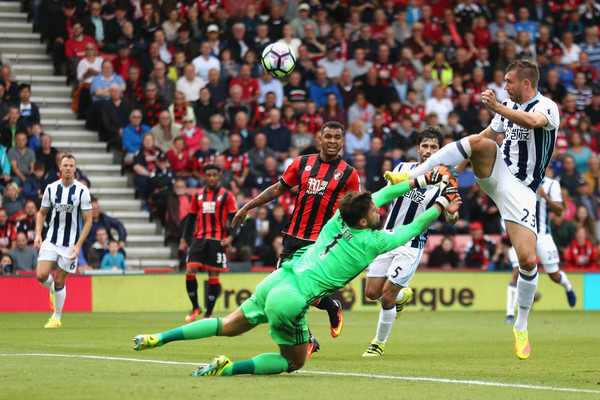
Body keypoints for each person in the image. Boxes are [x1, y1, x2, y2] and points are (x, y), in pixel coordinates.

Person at [132, 168, 459, 376]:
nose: (378, 209)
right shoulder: (373, 242)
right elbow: (416, 225)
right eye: (374, 211)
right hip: (294, 297)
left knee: (226, 325)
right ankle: (229, 369)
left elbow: (385, 194)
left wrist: (425, 180)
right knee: (294, 361)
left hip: (279, 277)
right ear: (363, 221)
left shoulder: (338, 219)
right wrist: (443, 202)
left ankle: (158, 338)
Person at [392, 60, 560, 359]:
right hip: (498, 173)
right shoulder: (506, 106)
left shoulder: (547, 106)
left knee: (528, 261)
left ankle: (520, 327)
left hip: (522, 192)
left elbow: (532, 123)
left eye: (509, 81)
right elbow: (483, 138)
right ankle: (413, 175)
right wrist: (455, 168)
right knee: (480, 143)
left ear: (525, 82)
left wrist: (498, 107)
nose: (504, 86)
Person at [231, 121, 360, 358]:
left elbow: (354, 210)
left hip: (322, 241)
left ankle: (308, 338)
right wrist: (247, 207)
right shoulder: (302, 163)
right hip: (293, 237)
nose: (332, 141)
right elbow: (277, 189)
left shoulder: (349, 174)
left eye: (337, 137)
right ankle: (330, 309)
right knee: (290, 289)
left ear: (343, 142)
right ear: (319, 138)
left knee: (295, 291)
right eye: (328, 136)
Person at [362, 127, 460, 357]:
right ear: (418, 148)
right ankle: (402, 295)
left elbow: (452, 219)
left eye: (433, 147)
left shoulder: (446, 181)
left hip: (412, 244)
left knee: (386, 296)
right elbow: (387, 195)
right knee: (371, 293)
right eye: (424, 146)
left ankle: (378, 343)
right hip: (387, 238)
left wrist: (452, 213)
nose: (428, 151)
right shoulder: (402, 169)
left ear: (440, 151)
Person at [505, 166, 577, 324]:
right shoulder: (519, 180)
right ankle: (510, 313)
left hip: (543, 236)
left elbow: (559, 211)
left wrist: (545, 196)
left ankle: (567, 286)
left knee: (554, 275)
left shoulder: (552, 185)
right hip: (523, 234)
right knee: (517, 271)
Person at [34, 154, 93, 328]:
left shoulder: (82, 191)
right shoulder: (51, 189)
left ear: (75, 169)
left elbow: (88, 221)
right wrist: (38, 234)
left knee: (60, 280)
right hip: (51, 239)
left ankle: (56, 317)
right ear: (60, 167)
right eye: (65, 165)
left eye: (71, 165)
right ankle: (53, 291)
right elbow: (42, 213)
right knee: (41, 275)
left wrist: (78, 245)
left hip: (70, 244)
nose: (68, 168)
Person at [178, 163, 237, 322]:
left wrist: (230, 237)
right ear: (204, 176)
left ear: (219, 176)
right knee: (190, 271)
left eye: (214, 175)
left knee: (213, 274)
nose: (211, 178)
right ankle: (195, 307)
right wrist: (184, 239)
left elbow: (236, 220)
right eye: (208, 175)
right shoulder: (197, 195)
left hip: (217, 241)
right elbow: (190, 220)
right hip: (198, 240)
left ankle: (208, 313)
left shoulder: (227, 195)